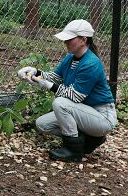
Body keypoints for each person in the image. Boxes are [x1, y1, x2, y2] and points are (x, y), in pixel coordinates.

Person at [18, 19, 117, 162]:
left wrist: (48, 85)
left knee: (60, 103)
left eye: (69, 39)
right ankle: (88, 140)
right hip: (84, 111)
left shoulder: (91, 63)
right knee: (42, 124)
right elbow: (55, 77)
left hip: (102, 117)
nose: (65, 42)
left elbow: (75, 97)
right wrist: (34, 73)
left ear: (83, 40)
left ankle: (73, 151)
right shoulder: (70, 58)